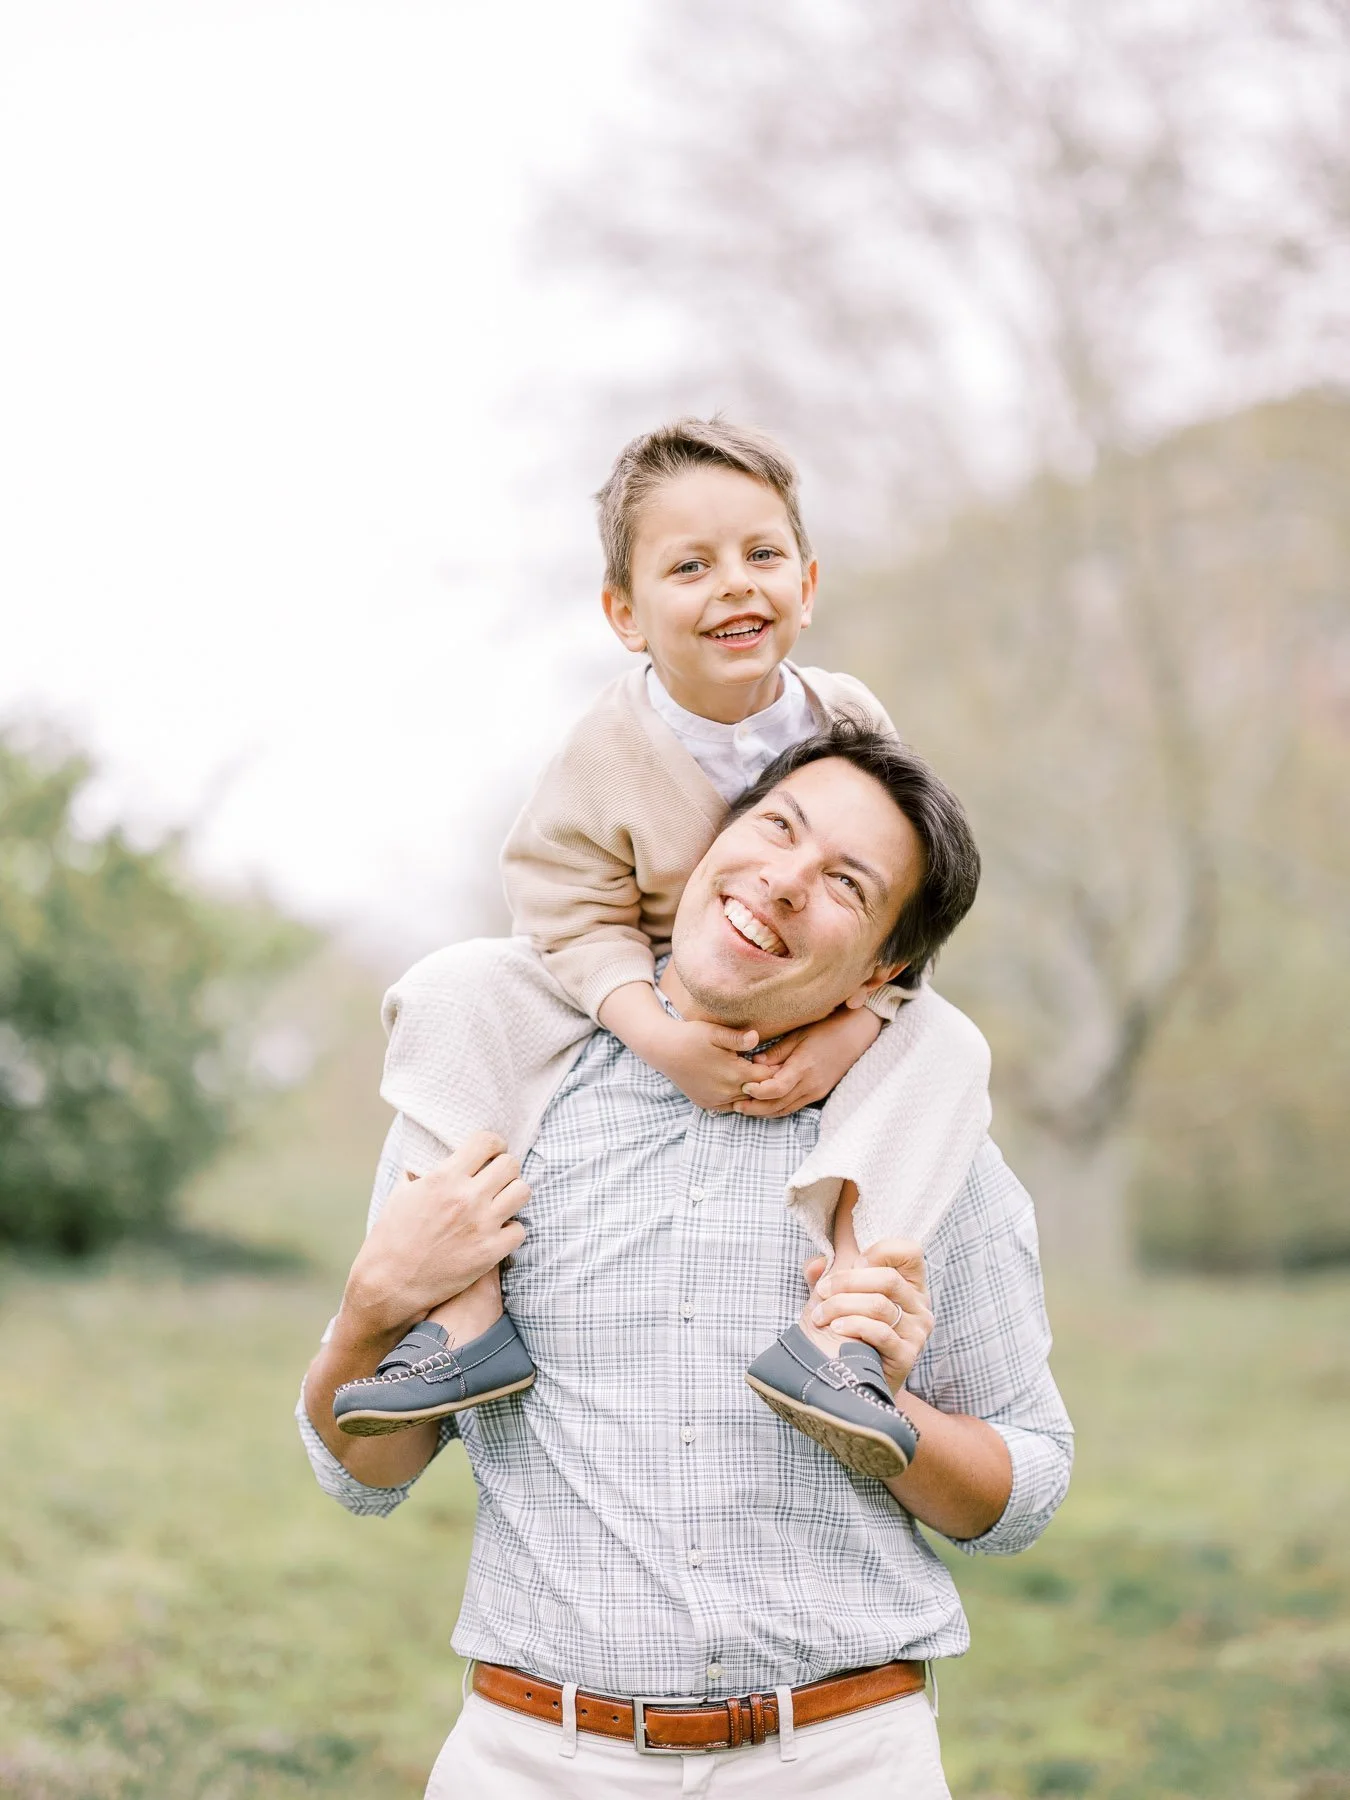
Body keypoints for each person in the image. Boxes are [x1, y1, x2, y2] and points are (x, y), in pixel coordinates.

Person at [298, 727, 1074, 1796]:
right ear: (711, 842)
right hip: (532, 1761)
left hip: (845, 1760)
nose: (786, 881)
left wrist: (894, 1419)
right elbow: (364, 1475)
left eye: (847, 883)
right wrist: (368, 1313)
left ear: (887, 967)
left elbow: (1027, 1484)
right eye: (777, 829)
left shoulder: (924, 1145)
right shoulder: (500, 1101)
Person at [329, 417, 992, 1476]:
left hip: (794, 977)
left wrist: (858, 1022)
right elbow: (560, 909)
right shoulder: (604, 751)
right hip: (615, 973)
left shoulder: (851, 716)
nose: (735, 586)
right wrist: (655, 1034)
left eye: (762, 555)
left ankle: (848, 1327)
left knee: (950, 1047)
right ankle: (459, 1319)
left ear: (808, 585)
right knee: (455, 990)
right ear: (625, 614)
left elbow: (898, 885)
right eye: (691, 566)